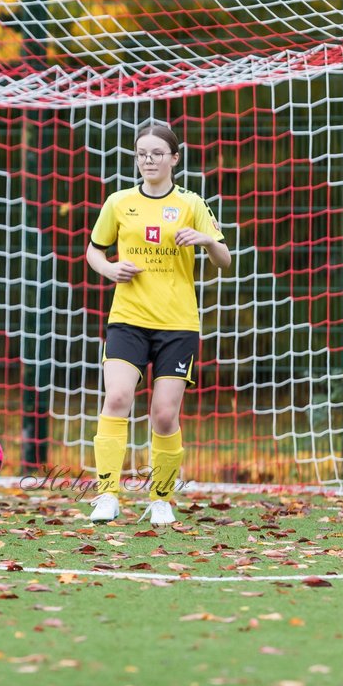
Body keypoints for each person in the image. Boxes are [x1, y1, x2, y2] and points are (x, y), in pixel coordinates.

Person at [85, 123, 230, 526]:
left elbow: (224, 259)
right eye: (141, 154)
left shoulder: (192, 204)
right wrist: (110, 269)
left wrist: (204, 240)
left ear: (174, 158)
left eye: (156, 153)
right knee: (116, 398)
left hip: (178, 324)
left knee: (164, 415)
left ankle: (161, 498)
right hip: (127, 320)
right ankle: (107, 495)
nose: (148, 160)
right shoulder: (119, 202)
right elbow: (94, 251)